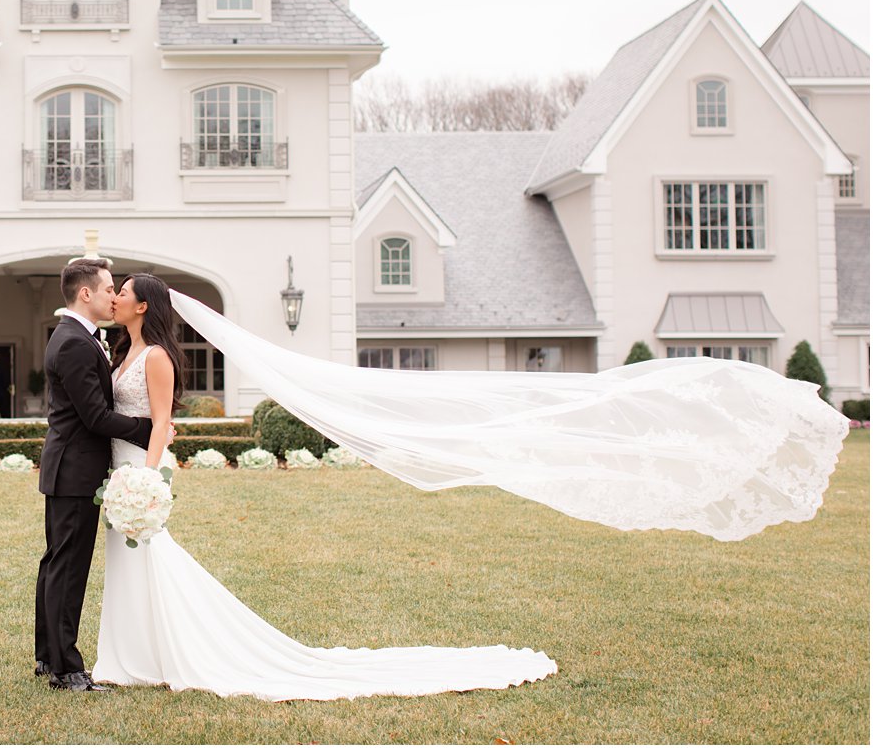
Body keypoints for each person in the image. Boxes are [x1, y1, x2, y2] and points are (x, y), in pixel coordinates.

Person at [92, 272, 558, 700]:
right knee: (128, 561)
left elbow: (161, 422)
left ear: (144, 307)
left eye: (124, 293)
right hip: (121, 468)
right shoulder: (123, 352)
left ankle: (163, 654)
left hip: (140, 470)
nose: (115, 298)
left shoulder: (155, 357)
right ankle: (131, 656)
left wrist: (147, 479)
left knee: (150, 556)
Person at [33, 258, 160, 693]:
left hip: (70, 468)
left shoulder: (81, 338)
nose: (113, 295)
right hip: (74, 471)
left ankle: (48, 656)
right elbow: (94, 417)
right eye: (108, 288)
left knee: (57, 563)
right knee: (66, 568)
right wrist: (145, 429)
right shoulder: (72, 341)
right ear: (85, 293)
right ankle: (66, 669)